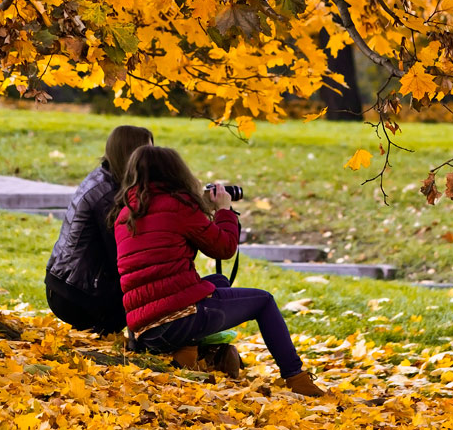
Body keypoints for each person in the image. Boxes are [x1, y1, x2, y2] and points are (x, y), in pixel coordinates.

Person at [113, 145, 325, 397]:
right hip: (178, 320)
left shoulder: (126, 213)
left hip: (144, 329)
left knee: (218, 281)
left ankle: (187, 353)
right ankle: (296, 377)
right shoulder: (179, 206)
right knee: (264, 301)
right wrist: (224, 210)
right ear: (175, 172)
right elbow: (224, 247)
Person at [45, 125, 154, 334]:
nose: (153, 160)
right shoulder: (109, 197)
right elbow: (123, 257)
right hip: (78, 295)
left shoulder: (105, 178)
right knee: (155, 292)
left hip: (64, 284)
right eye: (147, 153)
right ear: (130, 154)